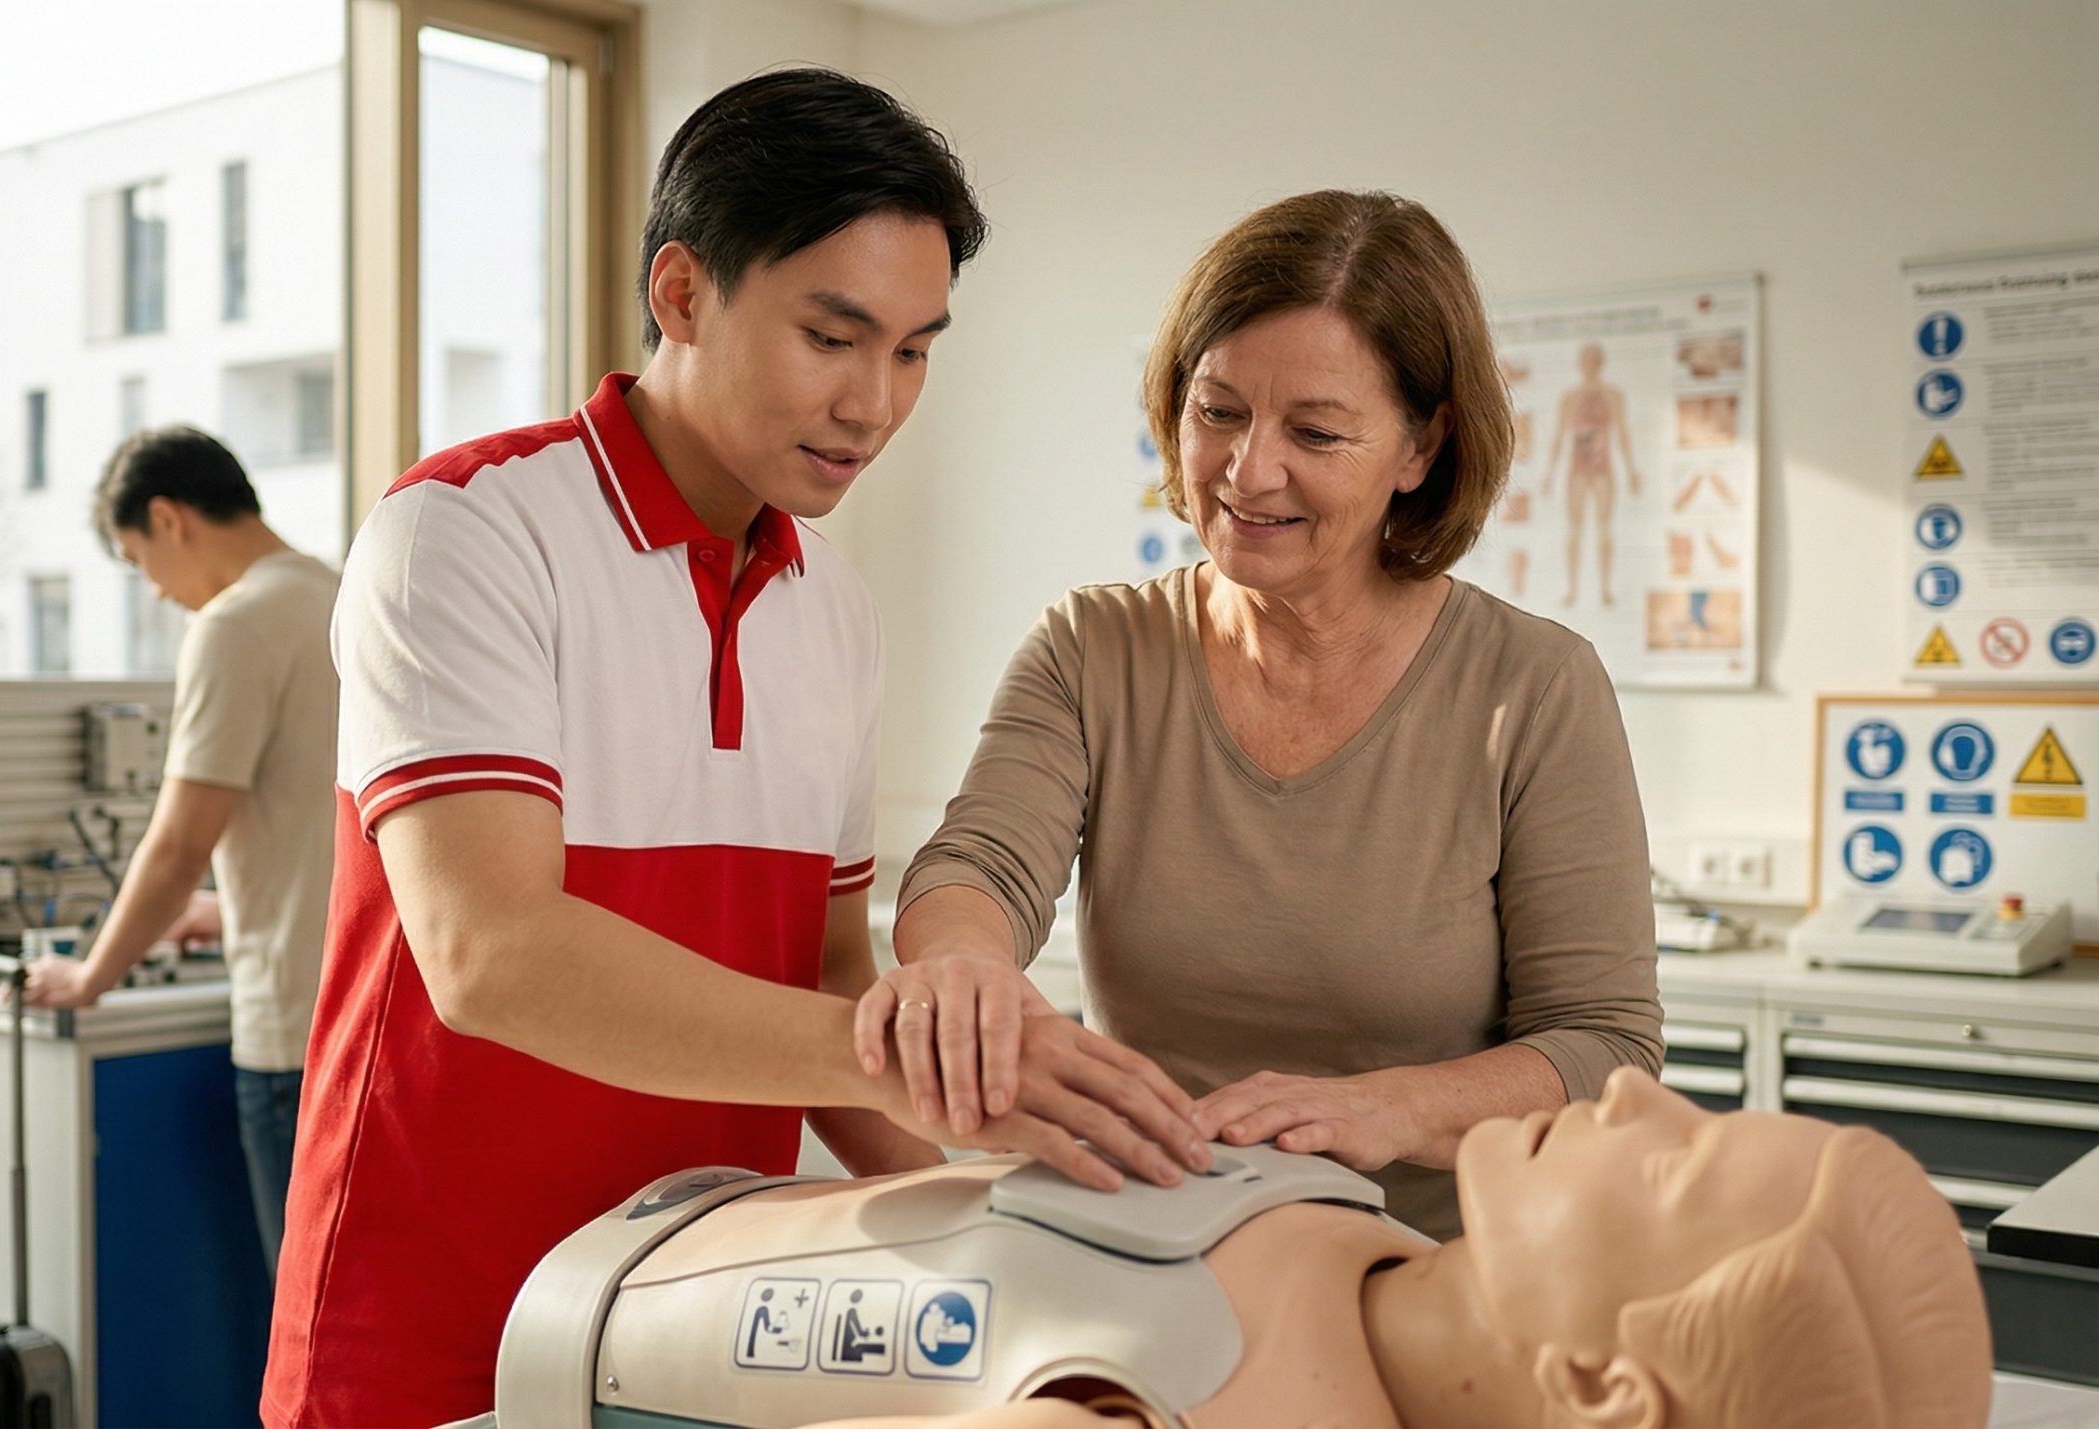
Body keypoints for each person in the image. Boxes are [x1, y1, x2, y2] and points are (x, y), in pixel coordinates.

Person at [263, 70, 1209, 1429]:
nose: (876, 402)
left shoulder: (836, 612)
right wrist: (931, 1068)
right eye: (833, 335)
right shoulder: (466, 534)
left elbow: (826, 973)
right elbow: (491, 956)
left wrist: (1003, 1218)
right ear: (683, 292)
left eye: (914, 349)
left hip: (696, 1322)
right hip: (429, 1333)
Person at [866, 190, 1663, 1242]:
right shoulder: (1093, 648)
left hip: (1436, 1272)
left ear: (1421, 449)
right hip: (1155, 1246)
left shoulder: (1535, 686)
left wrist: (1388, 1105)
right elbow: (980, 864)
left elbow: (1603, 1048)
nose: (1248, 472)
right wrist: (965, 971)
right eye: (1218, 411)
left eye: (1317, 432)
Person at [544, 1068, 1991, 1429]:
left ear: (1608, 1391)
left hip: (568, 1339)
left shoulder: (1199, 1389)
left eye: (1679, 1160)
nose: (1631, 1091)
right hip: (652, 1220)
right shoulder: (1341, 1226)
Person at [21, 426, 339, 1277]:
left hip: (290, 1036)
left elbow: (177, 841)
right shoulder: (340, 595)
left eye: (136, 561)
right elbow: (321, 820)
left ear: (168, 518)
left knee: (302, 1318)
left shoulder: (234, 623)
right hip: (360, 1021)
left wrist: (89, 975)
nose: (156, 593)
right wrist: (229, 907)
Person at [1541, 341, 1641, 607]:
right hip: (1577, 467)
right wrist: (1549, 474)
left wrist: (1632, 470)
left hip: (1602, 467)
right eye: (1587, 360)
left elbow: (1622, 433)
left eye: (1594, 360)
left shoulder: (1613, 395)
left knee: (1604, 528)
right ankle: (1572, 589)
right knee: (1575, 529)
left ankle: (1605, 589)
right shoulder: (1569, 398)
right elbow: (1559, 437)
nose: (1590, 366)